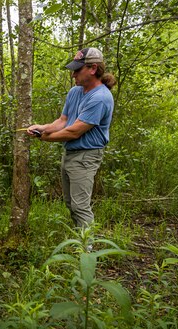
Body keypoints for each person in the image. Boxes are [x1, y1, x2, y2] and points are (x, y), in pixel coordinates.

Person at [27, 47, 117, 229]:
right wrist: (42, 128)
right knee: (70, 203)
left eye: (77, 70)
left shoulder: (100, 98)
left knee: (80, 206)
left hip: (86, 156)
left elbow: (74, 132)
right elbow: (63, 121)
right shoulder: (75, 92)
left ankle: (87, 252)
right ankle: (80, 241)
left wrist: (45, 138)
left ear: (92, 69)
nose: (73, 75)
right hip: (70, 154)